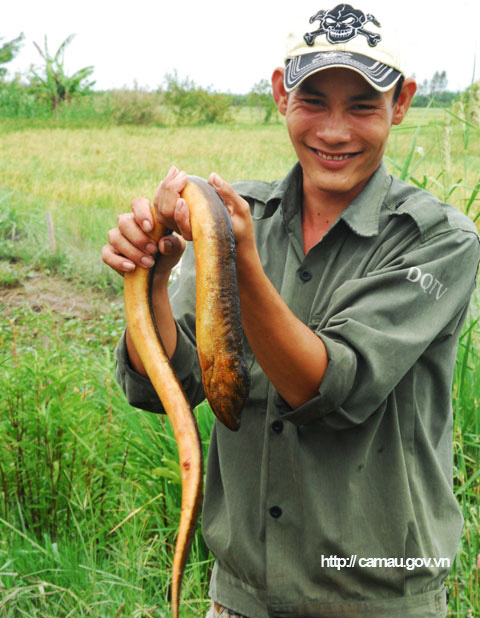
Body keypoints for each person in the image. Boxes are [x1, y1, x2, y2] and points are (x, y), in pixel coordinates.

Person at [102, 4, 480, 617]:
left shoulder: (437, 241)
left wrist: (237, 258)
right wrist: (152, 275)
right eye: (313, 100)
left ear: (402, 104)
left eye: (363, 105)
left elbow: (328, 387)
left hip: (379, 600)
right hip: (241, 598)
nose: (335, 132)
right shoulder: (242, 214)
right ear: (281, 94)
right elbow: (181, 383)